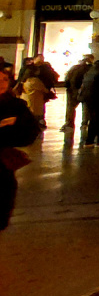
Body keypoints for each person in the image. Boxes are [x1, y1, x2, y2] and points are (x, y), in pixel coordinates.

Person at [0, 66, 40, 231]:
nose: (2, 83)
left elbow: (29, 132)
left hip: (2, 170)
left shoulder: (14, 105)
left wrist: (11, 127)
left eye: (4, 79)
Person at [63, 53, 93, 133]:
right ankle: (84, 124)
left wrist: (69, 88)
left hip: (72, 91)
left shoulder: (74, 68)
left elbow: (67, 79)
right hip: (84, 91)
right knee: (86, 108)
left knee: (70, 108)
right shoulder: (90, 68)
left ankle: (69, 123)